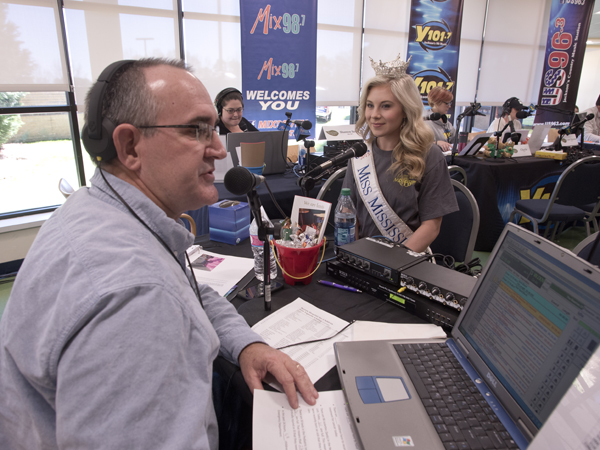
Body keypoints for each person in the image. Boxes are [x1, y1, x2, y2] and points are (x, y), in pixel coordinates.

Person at [0, 58, 317, 450]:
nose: (219, 150)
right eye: (197, 130)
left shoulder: (96, 210)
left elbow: (190, 289)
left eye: (213, 130)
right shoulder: (138, 296)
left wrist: (246, 344)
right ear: (130, 146)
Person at [342, 55, 458, 253]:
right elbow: (348, 214)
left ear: (406, 109)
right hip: (364, 259)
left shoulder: (429, 155)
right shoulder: (360, 154)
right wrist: (355, 257)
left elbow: (431, 227)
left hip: (406, 262)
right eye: (370, 105)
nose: (374, 114)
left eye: (386, 106)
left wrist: (390, 264)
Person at [425, 86, 455, 152]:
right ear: (436, 102)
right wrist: (436, 143)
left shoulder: (446, 122)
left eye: (450, 103)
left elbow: (455, 138)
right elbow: (418, 145)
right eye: (447, 103)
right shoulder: (425, 122)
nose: (449, 106)